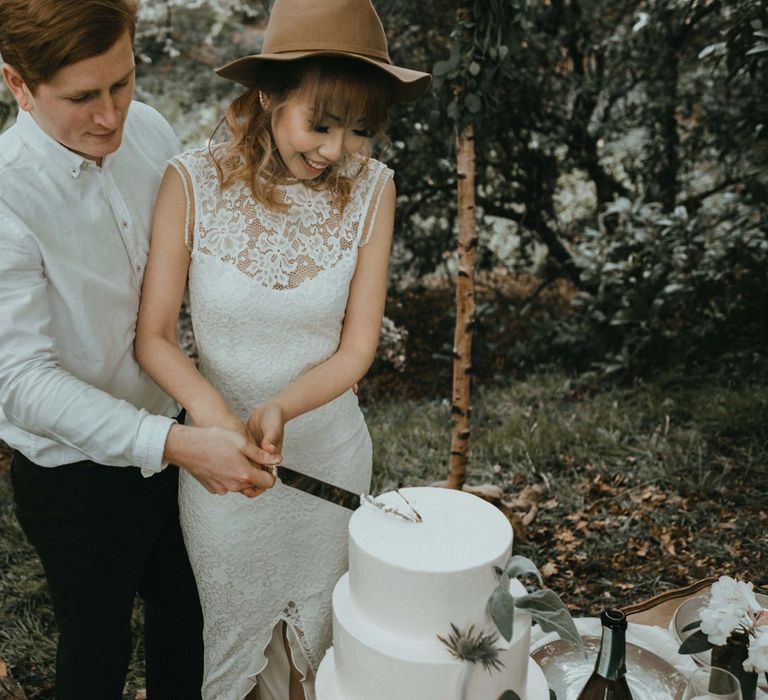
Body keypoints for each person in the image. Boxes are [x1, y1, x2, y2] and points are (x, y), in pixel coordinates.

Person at [133, 0, 430, 698]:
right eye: (320, 124)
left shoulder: (374, 189)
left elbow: (357, 349)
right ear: (268, 93)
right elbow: (153, 337)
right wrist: (212, 417)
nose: (337, 150)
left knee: (317, 661)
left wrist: (281, 407)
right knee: (234, 656)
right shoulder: (189, 182)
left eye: (359, 129)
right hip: (219, 470)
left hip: (327, 461)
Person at [0, 1, 279, 698]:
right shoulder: (5, 199)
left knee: (188, 614)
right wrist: (177, 444)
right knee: (95, 648)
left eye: (121, 84)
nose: (110, 117)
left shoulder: (150, 131)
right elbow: (21, 382)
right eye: (82, 97)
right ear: (17, 83)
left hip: (177, 430)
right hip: (72, 476)